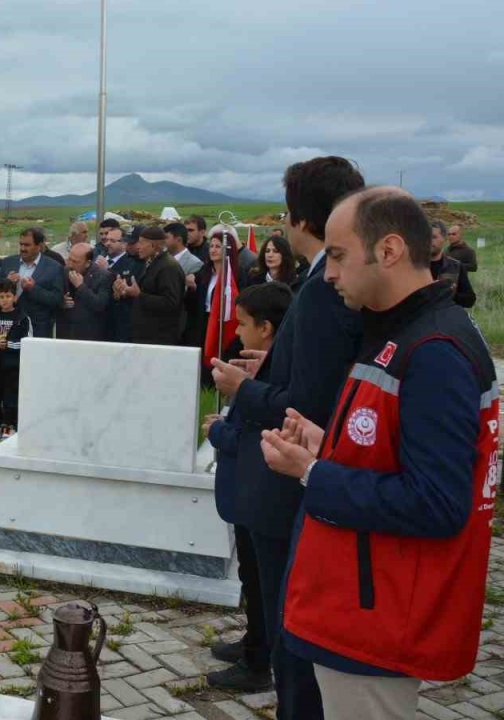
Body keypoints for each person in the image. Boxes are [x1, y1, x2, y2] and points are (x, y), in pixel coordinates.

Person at [260, 187, 497, 720]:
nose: (328, 273)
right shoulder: (398, 330)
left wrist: (313, 472)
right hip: (352, 605)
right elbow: (390, 449)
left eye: (339, 255)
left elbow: (436, 503)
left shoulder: (435, 350)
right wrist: (329, 445)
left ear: (388, 251)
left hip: (377, 619)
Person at [210, 156, 366, 720]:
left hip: (285, 484)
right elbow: (304, 373)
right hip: (289, 478)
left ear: (301, 219)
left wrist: (241, 389)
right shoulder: (321, 283)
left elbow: (309, 403)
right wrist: (268, 367)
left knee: (290, 634)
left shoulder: (326, 289)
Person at [202, 281, 293, 693]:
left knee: (262, 580)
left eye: (242, 323)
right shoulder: (270, 366)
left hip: (260, 491)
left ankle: (260, 662)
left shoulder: (285, 375)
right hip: (245, 494)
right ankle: (254, 640)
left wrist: (219, 431)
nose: (236, 331)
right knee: (250, 576)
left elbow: (254, 436)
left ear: (267, 328)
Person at [0, 279, 32, 440]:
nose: (5, 300)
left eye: (8, 296)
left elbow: (28, 342)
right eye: (1, 297)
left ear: (15, 298)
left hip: (13, 365)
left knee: (11, 396)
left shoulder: (22, 318)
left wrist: (9, 345)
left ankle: (10, 424)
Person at [123, 226, 186, 346]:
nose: (138, 247)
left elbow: (171, 302)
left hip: (160, 337)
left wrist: (139, 295)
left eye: (141, 243)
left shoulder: (168, 267)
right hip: (146, 335)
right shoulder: (151, 263)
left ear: (153, 245)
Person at [0, 227, 64, 339]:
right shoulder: (8, 262)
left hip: (38, 330)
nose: (22, 248)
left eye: (27, 245)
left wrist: (33, 289)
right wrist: (7, 283)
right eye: (21, 244)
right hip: (8, 325)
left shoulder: (54, 267)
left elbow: (57, 300)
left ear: (39, 246)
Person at [193, 229, 245, 353]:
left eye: (217, 246)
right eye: (211, 246)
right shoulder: (204, 273)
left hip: (224, 323)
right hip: (204, 323)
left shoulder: (237, 275)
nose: (213, 250)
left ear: (228, 249)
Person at [56, 243, 112, 341]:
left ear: (88, 263)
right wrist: (61, 301)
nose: (70, 264)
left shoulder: (103, 276)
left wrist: (81, 287)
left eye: (75, 262)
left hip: (90, 336)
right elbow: (54, 296)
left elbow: (100, 305)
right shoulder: (64, 272)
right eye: (69, 259)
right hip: (65, 334)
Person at [104, 226, 143, 342]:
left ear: (123, 244)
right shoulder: (98, 258)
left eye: (113, 241)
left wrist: (107, 271)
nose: (108, 244)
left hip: (124, 321)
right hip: (103, 321)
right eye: (107, 240)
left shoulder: (134, 262)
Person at [430, 220, 476, 308]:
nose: (428, 241)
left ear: (444, 239)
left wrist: (448, 293)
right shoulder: (413, 267)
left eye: (433, 237)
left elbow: (470, 300)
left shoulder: (457, 267)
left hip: (446, 318)